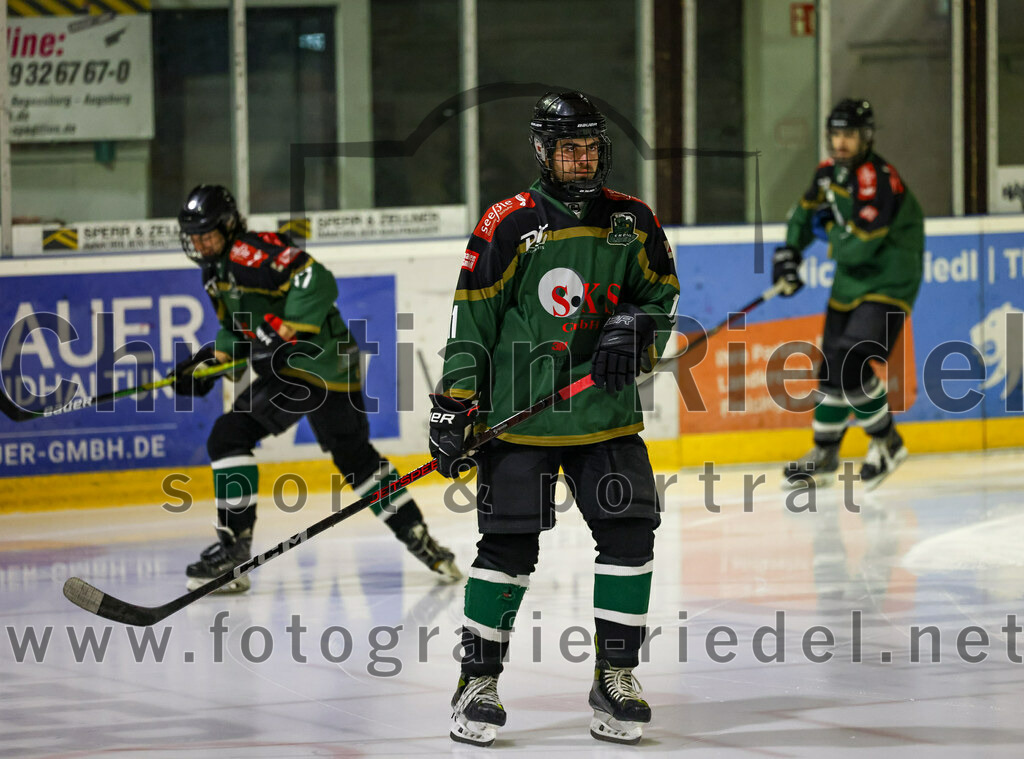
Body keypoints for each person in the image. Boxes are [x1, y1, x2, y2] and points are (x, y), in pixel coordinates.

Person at [428, 92, 679, 746]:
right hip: (519, 418)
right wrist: (454, 403)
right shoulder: (507, 222)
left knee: (630, 534)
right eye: (568, 147)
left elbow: (661, 296)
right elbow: (471, 320)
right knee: (508, 548)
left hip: (604, 416)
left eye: (591, 146)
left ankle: (615, 678)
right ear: (542, 150)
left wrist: (640, 326)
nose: (581, 158)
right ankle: (475, 683)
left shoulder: (633, 219)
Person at [172, 184, 460, 593]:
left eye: (207, 233)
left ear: (228, 225)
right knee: (356, 459)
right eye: (194, 236)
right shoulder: (216, 272)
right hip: (315, 366)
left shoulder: (249, 251)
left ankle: (234, 551)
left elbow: (317, 280)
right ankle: (419, 537)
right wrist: (207, 364)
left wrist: (285, 332)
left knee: (229, 435)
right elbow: (239, 326)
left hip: (312, 362)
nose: (200, 243)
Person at [773, 98, 924, 491]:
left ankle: (888, 441)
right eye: (836, 134)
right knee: (831, 370)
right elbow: (802, 216)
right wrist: (788, 254)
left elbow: (861, 242)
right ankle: (825, 453)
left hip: (890, 280)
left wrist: (827, 232)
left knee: (852, 361)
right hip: (850, 283)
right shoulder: (827, 174)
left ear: (866, 136)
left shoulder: (879, 177)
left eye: (850, 134)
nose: (841, 142)